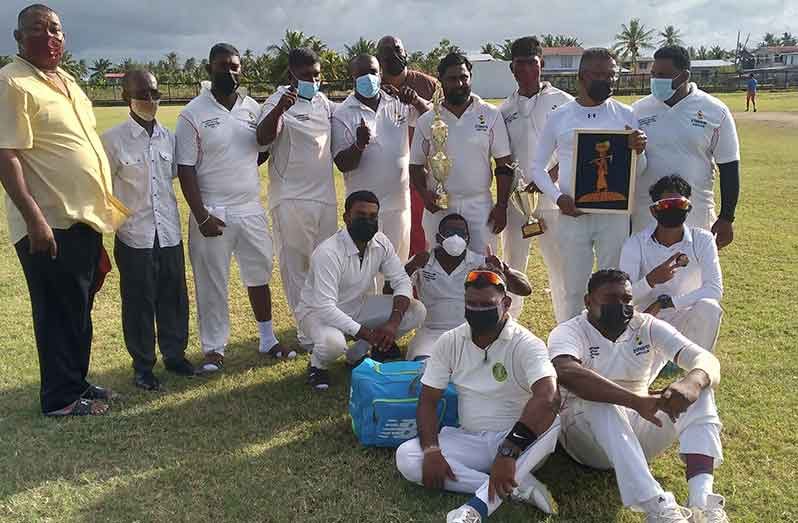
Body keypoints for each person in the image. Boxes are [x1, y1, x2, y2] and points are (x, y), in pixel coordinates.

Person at [0, 4, 129, 416]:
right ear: (19, 38)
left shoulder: (68, 81)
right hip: (49, 221)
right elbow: (8, 154)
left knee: (78, 305)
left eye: (56, 29)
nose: (50, 36)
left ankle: (76, 380)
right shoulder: (12, 81)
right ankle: (59, 398)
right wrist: (34, 218)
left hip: (84, 218)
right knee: (56, 308)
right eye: (39, 30)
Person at [549, 269, 729, 523]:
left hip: (634, 431)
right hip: (584, 438)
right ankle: (657, 507)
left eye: (626, 299)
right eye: (610, 298)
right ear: (588, 301)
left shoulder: (644, 324)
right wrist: (634, 401)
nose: (620, 306)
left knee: (701, 392)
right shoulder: (569, 331)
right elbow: (566, 371)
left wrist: (692, 381)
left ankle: (701, 499)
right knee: (600, 402)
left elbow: (705, 359)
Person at [395, 268, 560, 522]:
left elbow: (547, 396)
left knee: (553, 419)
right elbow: (428, 401)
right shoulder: (450, 341)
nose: (477, 310)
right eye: (471, 304)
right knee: (407, 457)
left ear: (506, 304)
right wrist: (430, 450)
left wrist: (508, 452)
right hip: (470, 438)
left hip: (518, 441)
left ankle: (475, 509)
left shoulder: (527, 344)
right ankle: (518, 488)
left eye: (487, 304)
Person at [176, 43, 285, 374]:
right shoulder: (192, 113)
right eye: (223, 66)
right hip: (212, 210)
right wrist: (201, 215)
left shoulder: (252, 108)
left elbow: (259, 150)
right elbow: (186, 168)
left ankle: (267, 339)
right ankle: (213, 349)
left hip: (250, 206)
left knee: (259, 273)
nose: (230, 72)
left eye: (235, 67)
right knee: (212, 282)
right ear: (209, 69)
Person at [531, 47, 648, 322]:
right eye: (599, 75)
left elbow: (638, 171)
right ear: (582, 77)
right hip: (573, 214)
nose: (606, 81)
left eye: (611, 75)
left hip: (614, 216)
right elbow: (537, 167)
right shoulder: (560, 116)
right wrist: (558, 198)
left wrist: (639, 151)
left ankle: (611, 340)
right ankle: (569, 348)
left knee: (614, 285)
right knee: (574, 288)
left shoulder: (625, 115)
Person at [101, 69, 194, 390]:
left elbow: (170, 180)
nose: (150, 101)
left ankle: (175, 354)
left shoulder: (169, 138)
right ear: (127, 98)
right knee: (139, 302)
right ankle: (142, 365)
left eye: (155, 94)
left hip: (168, 232)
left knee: (174, 296)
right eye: (142, 95)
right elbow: (104, 189)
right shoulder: (112, 141)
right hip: (133, 236)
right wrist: (114, 227)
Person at [296, 191, 426, 391]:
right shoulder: (328, 252)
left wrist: (393, 323)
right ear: (347, 217)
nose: (367, 221)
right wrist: (367, 333)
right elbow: (325, 307)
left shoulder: (380, 242)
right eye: (360, 216)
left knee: (416, 311)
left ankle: (357, 355)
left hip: (356, 306)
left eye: (373, 217)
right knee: (334, 344)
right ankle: (317, 365)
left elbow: (401, 280)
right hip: (317, 314)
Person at [257, 47, 337, 350]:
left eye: (317, 75)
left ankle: (325, 327)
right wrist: (280, 109)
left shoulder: (323, 103)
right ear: (292, 74)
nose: (313, 81)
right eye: (306, 76)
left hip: (325, 198)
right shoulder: (276, 101)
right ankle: (308, 336)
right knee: (297, 271)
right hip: (291, 199)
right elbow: (262, 140)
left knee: (325, 269)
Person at [632, 45, 740, 249]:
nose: (655, 81)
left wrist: (727, 217)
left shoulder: (715, 111)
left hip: (696, 212)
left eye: (663, 75)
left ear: (684, 76)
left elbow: (729, 166)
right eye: (653, 74)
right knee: (648, 278)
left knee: (695, 276)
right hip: (646, 215)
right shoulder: (638, 110)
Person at [499, 36, 574, 321]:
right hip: (519, 204)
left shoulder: (564, 103)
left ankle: (567, 329)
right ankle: (508, 326)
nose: (528, 69)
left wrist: (545, 179)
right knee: (513, 266)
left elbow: (571, 150)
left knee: (561, 268)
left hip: (555, 199)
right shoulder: (504, 110)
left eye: (533, 62)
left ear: (541, 64)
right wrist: (506, 199)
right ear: (512, 68)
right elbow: (503, 158)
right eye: (521, 63)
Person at [410, 52, 513, 256]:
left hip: (479, 206)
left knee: (481, 269)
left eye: (464, 77)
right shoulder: (427, 119)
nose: (459, 83)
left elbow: (504, 165)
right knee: (440, 267)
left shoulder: (490, 114)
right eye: (452, 78)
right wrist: (424, 195)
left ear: (470, 78)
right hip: (440, 207)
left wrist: (501, 206)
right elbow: (415, 165)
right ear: (441, 80)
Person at [405, 213, 531, 360]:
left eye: (461, 233)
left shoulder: (480, 263)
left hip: (472, 332)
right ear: (439, 238)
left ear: (468, 239)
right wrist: (412, 266)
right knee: (424, 366)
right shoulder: (422, 260)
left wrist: (504, 270)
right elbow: (390, 290)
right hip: (431, 333)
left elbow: (525, 289)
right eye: (450, 233)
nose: (456, 237)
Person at [620, 175, 723, 354]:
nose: (673, 210)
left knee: (710, 307)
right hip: (648, 319)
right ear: (654, 211)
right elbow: (623, 299)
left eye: (679, 205)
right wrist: (650, 280)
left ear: (688, 208)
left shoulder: (703, 239)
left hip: (684, 316)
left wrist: (668, 303)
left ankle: (698, 369)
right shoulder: (635, 243)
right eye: (666, 205)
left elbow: (714, 289)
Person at [332, 54, 416, 262]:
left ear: (380, 74)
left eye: (373, 72)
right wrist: (359, 145)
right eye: (362, 73)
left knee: (397, 269)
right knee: (365, 274)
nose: (368, 78)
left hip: (398, 205)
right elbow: (342, 164)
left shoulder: (398, 103)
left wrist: (414, 98)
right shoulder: (342, 113)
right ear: (352, 76)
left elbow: (432, 119)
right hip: (364, 211)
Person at [377, 35, 438, 258]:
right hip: (389, 180)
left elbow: (441, 123)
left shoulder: (428, 85)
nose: (393, 56)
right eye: (386, 52)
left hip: (424, 174)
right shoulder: (374, 89)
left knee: (423, 237)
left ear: (406, 53)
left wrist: (416, 101)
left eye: (397, 50)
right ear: (379, 59)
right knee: (396, 242)